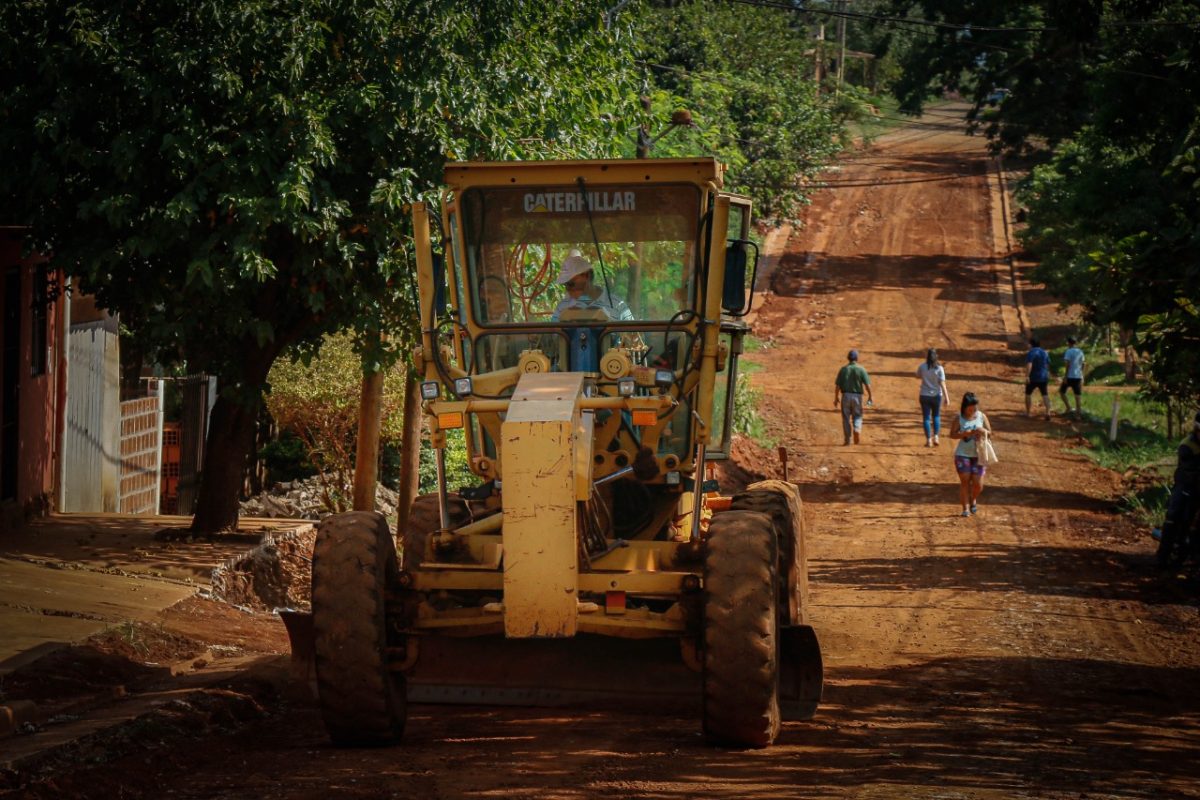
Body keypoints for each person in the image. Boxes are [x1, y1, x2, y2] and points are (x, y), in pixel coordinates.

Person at [1154, 411, 1200, 569]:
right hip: (1188, 485)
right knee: (1175, 513)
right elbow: (1190, 471)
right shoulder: (1187, 446)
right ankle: (1163, 555)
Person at [551, 250, 634, 321]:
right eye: (565, 285)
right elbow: (552, 337)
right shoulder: (562, 308)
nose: (568, 289)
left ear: (586, 276)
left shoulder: (618, 306)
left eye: (570, 284)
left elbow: (634, 336)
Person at [950, 391, 992, 517]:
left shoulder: (981, 416)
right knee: (965, 481)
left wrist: (982, 431)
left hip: (979, 455)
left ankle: (973, 499)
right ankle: (965, 508)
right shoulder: (959, 418)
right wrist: (965, 434)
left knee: (978, 485)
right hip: (962, 454)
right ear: (965, 406)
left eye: (975, 407)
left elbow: (990, 432)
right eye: (970, 408)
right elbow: (952, 434)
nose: (973, 410)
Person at [834, 349, 874, 445]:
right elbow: (867, 385)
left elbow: (838, 386)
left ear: (848, 358)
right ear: (857, 358)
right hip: (857, 396)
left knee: (846, 418)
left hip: (846, 396)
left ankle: (847, 440)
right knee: (858, 416)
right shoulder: (861, 369)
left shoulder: (843, 369)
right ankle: (857, 429)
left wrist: (836, 398)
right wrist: (870, 397)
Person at [917, 348, 949, 447]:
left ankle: (928, 440)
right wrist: (947, 398)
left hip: (924, 395)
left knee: (926, 418)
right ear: (936, 357)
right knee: (936, 416)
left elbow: (917, 375)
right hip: (936, 396)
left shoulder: (922, 367)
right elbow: (943, 384)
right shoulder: (940, 369)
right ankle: (936, 437)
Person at [1025, 338, 1051, 420]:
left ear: (1031, 344)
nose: (1028, 345)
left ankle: (1028, 413)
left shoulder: (1031, 352)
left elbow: (1029, 364)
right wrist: (1047, 374)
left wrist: (1027, 376)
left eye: (1029, 344)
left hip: (1033, 377)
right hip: (1043, 377)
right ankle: (1048, 412)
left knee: (1028, 394)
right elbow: (1047, 364)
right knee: (1045, 394)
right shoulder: (1045, 352)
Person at [1059, 336, 1086, 417]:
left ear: (1069, 343)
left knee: (1062, 392)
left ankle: (1068, 407)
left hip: (1070, 376)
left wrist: (1065, 376)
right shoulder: (1080, 351)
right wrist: (1082, 375)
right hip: (1078, 376)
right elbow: (1083, 363)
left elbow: (1067, 364)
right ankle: (1078, 415)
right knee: (1077, 396)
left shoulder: (1069, 351)